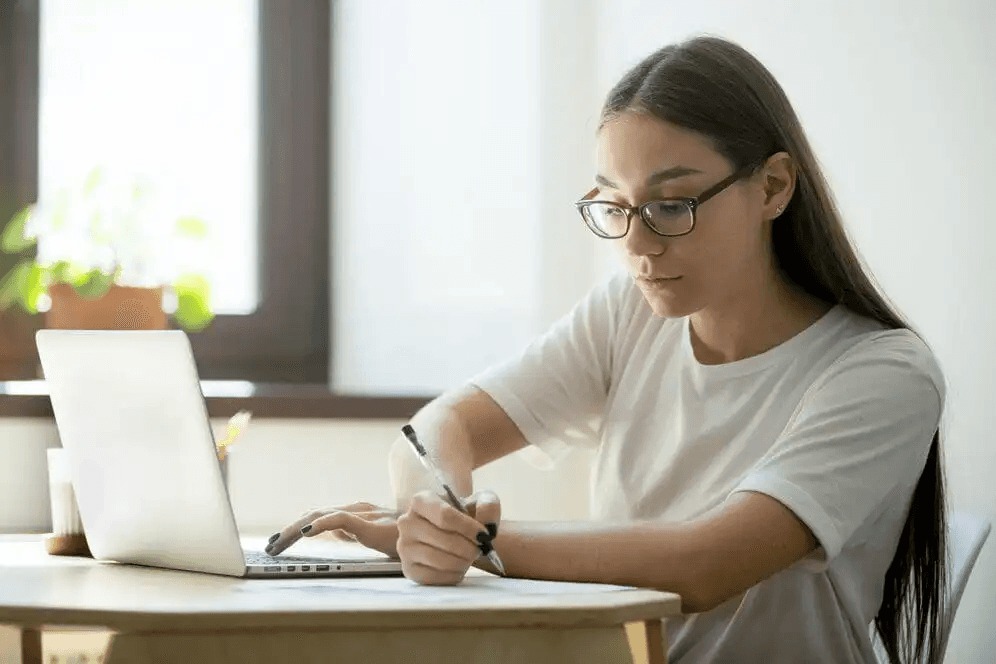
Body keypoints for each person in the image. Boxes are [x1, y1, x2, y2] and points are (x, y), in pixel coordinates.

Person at [266, 36, 947, 664]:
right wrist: (433, 511)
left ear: (772, 186)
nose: (639, 246)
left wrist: (476, 546)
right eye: (615, 206)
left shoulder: (881, 373)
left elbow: (703, 564)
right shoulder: (631, 312)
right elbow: (441, 428)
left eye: (672, 206)